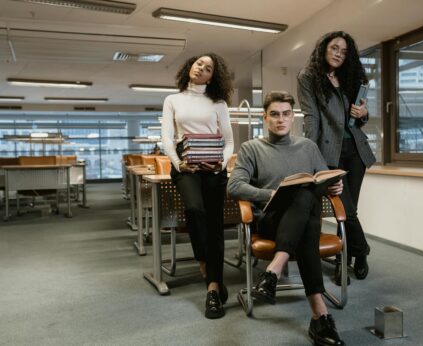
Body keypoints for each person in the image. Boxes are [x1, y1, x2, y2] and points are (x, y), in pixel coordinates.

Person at [228, 91, 345, 346]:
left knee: (305, 198)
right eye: (275, 115)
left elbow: (324, 180)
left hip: (302, 225)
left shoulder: (308, 147)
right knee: (303, 200)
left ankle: (274, 273)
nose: (281, 119)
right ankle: (320, 318)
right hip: (270, 220)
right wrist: (272, 193)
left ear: (293, 117)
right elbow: (234, 186)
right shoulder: (251, 148)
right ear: (265, 117)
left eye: (286, 114)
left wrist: (335, 187)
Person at [297, 31, 376, 285]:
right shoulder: (309, 77)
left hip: (357, 152)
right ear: (323, 49)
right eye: (334, 48)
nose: (338, 54)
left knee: (348, 210)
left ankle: (346, 260)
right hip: (330, 153)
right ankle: (360, 251)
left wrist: (364, 113)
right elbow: (312, 117)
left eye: (343, 51)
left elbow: (359, 120)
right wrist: (311, 152)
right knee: (346, 209)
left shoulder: (352, 78)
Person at [161, 53, 234, 319]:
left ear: (213, 76)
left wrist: (221, 165)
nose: (201, 68)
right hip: (185, 163)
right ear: (190, 67)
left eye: (208, 68)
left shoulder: (219, 103)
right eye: (198, 64)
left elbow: (229, 143)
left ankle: (213, 288)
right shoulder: (173, 100)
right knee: (195, 209)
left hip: (213, 165)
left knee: (215, 223)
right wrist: (178, 163)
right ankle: (205, 264)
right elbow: (167, 138)